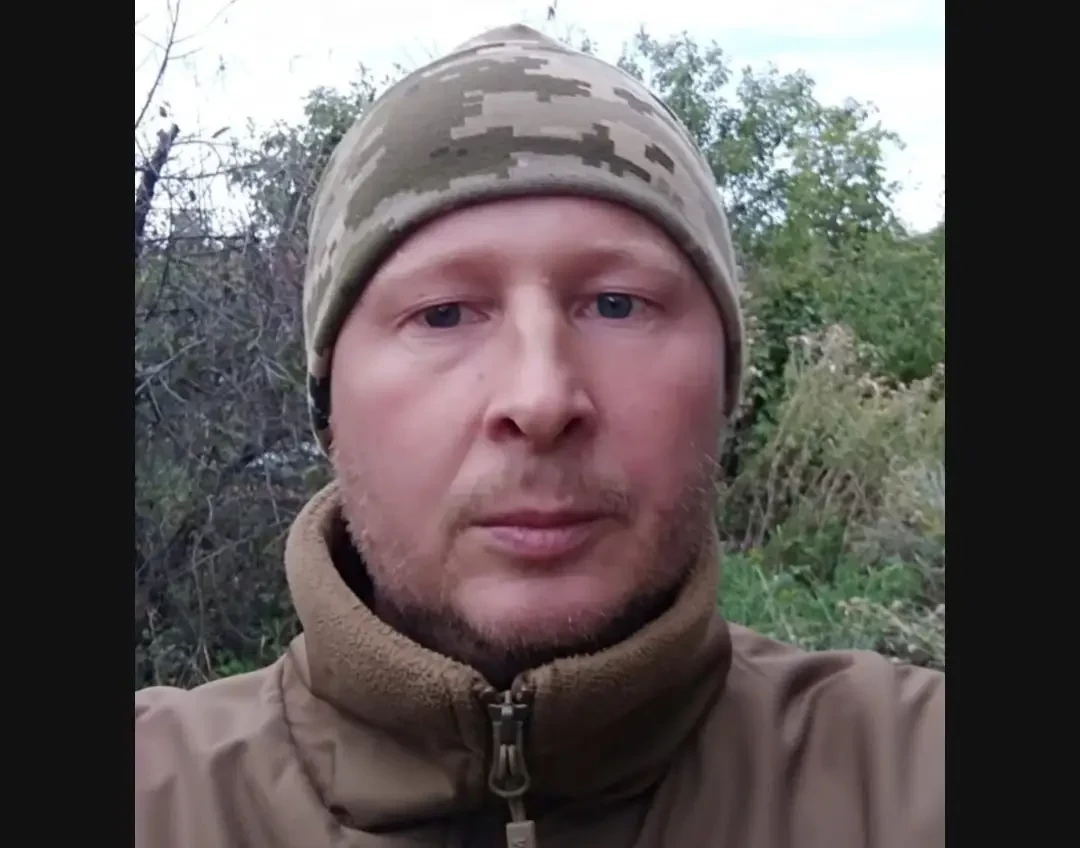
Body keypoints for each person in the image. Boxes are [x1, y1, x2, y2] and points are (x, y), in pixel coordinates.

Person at [135, 23, 944, 848]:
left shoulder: (916, 775)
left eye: (617, 304)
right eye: (443, 314)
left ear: (725, 381)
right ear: (329, 403)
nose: (541, 398)